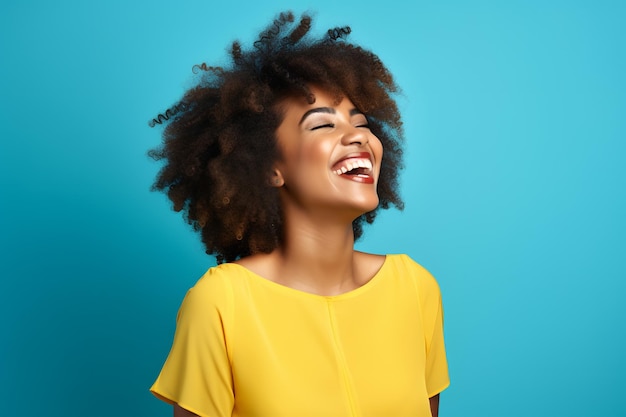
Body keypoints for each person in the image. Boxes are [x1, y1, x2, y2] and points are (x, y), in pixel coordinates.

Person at [149, 11, 449, 417]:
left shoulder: (415, 289)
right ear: (270, 167)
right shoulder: (221, 304)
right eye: (323, 126)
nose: (359, 136)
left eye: (360, 123)